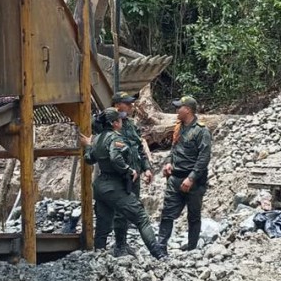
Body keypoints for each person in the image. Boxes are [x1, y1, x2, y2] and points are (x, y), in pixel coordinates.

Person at [81, 108, 167, 259]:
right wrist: (129, 170)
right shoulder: (115, 138)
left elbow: (89, 159)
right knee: (141, 218)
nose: (122, 121)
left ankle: (99, 255)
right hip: (115, 186)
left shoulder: (97, 139)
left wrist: (88, 145)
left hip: (101, 186)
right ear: (115, 123)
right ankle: (159, 255)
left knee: (103, 223)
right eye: (119, 119)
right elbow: (115, 158)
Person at [157, 95, 212, 252]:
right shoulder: (178, 127)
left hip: (193, 181)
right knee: (167, 213)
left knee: (193, 216)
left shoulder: (201, 131)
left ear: (187, 110)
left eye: (179, 107)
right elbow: (174, 149)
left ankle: (192, 247)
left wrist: (191, 178)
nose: (176, 110)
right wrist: (168, 162)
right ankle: (161, 247)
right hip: (175, 178)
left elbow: (203, 158)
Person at [110, 91, 154, 257]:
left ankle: (123, 243)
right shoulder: (109, 123)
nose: (130, 106)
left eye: (130, 103)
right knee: (120, 211)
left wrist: (147, 168)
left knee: (129, 211)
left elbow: (140, 149)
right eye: (126, 104)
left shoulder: (130, 125)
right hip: (119, 176)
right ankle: (119, 246)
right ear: (117, 104)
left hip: (134, 177)